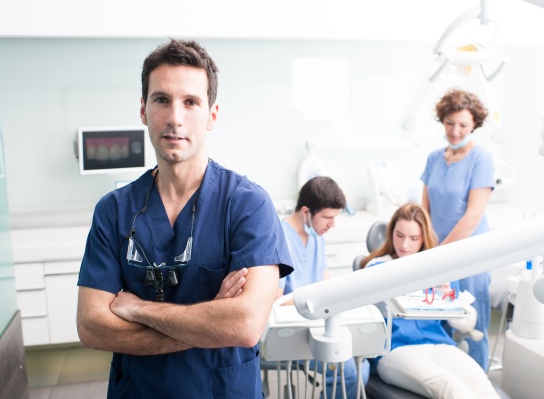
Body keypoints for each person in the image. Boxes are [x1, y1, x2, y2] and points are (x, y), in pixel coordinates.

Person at [75, 38, 293, 398]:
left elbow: (245, 324)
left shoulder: (247, 205)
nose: (175, 118)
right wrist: (209, 322)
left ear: (212, 115)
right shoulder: (113, 211)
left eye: (191, 102)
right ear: (144, 110)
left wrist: (139, 308)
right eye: (162, 99)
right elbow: (92, 327)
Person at [360, 203, 499, 399]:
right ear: (391, 233)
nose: (405, 244)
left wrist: (447, 297)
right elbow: (365, 318)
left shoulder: (437, 269)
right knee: (449, 387)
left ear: (424, 237)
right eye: (399, 235)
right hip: (396, 352)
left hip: (439, 345)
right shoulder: (377, 268)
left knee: (481, 384)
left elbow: (467, 324)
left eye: (413, 238)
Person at [420, 88, 494, 371]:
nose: (455, 131)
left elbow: (472, 217)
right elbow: (424, 210)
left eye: (463, 124)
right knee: (440, 327)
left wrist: (439, 253)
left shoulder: (481, 160)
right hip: (438, 255)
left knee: (472, 329)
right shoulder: (434, 159)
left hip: (470, 256)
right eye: (450, 123)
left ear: (474, 124)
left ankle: (478, 387)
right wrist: (424, 248)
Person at [278, 176, 369, 399]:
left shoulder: (316, 235)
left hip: (319, 322)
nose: (332, 225)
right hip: (294, 329)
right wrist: (317, 304)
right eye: (328, 217)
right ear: (307, 212)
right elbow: (275, 300)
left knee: (363, 364)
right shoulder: (279, 237)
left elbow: (325, 282)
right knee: (349, 371)